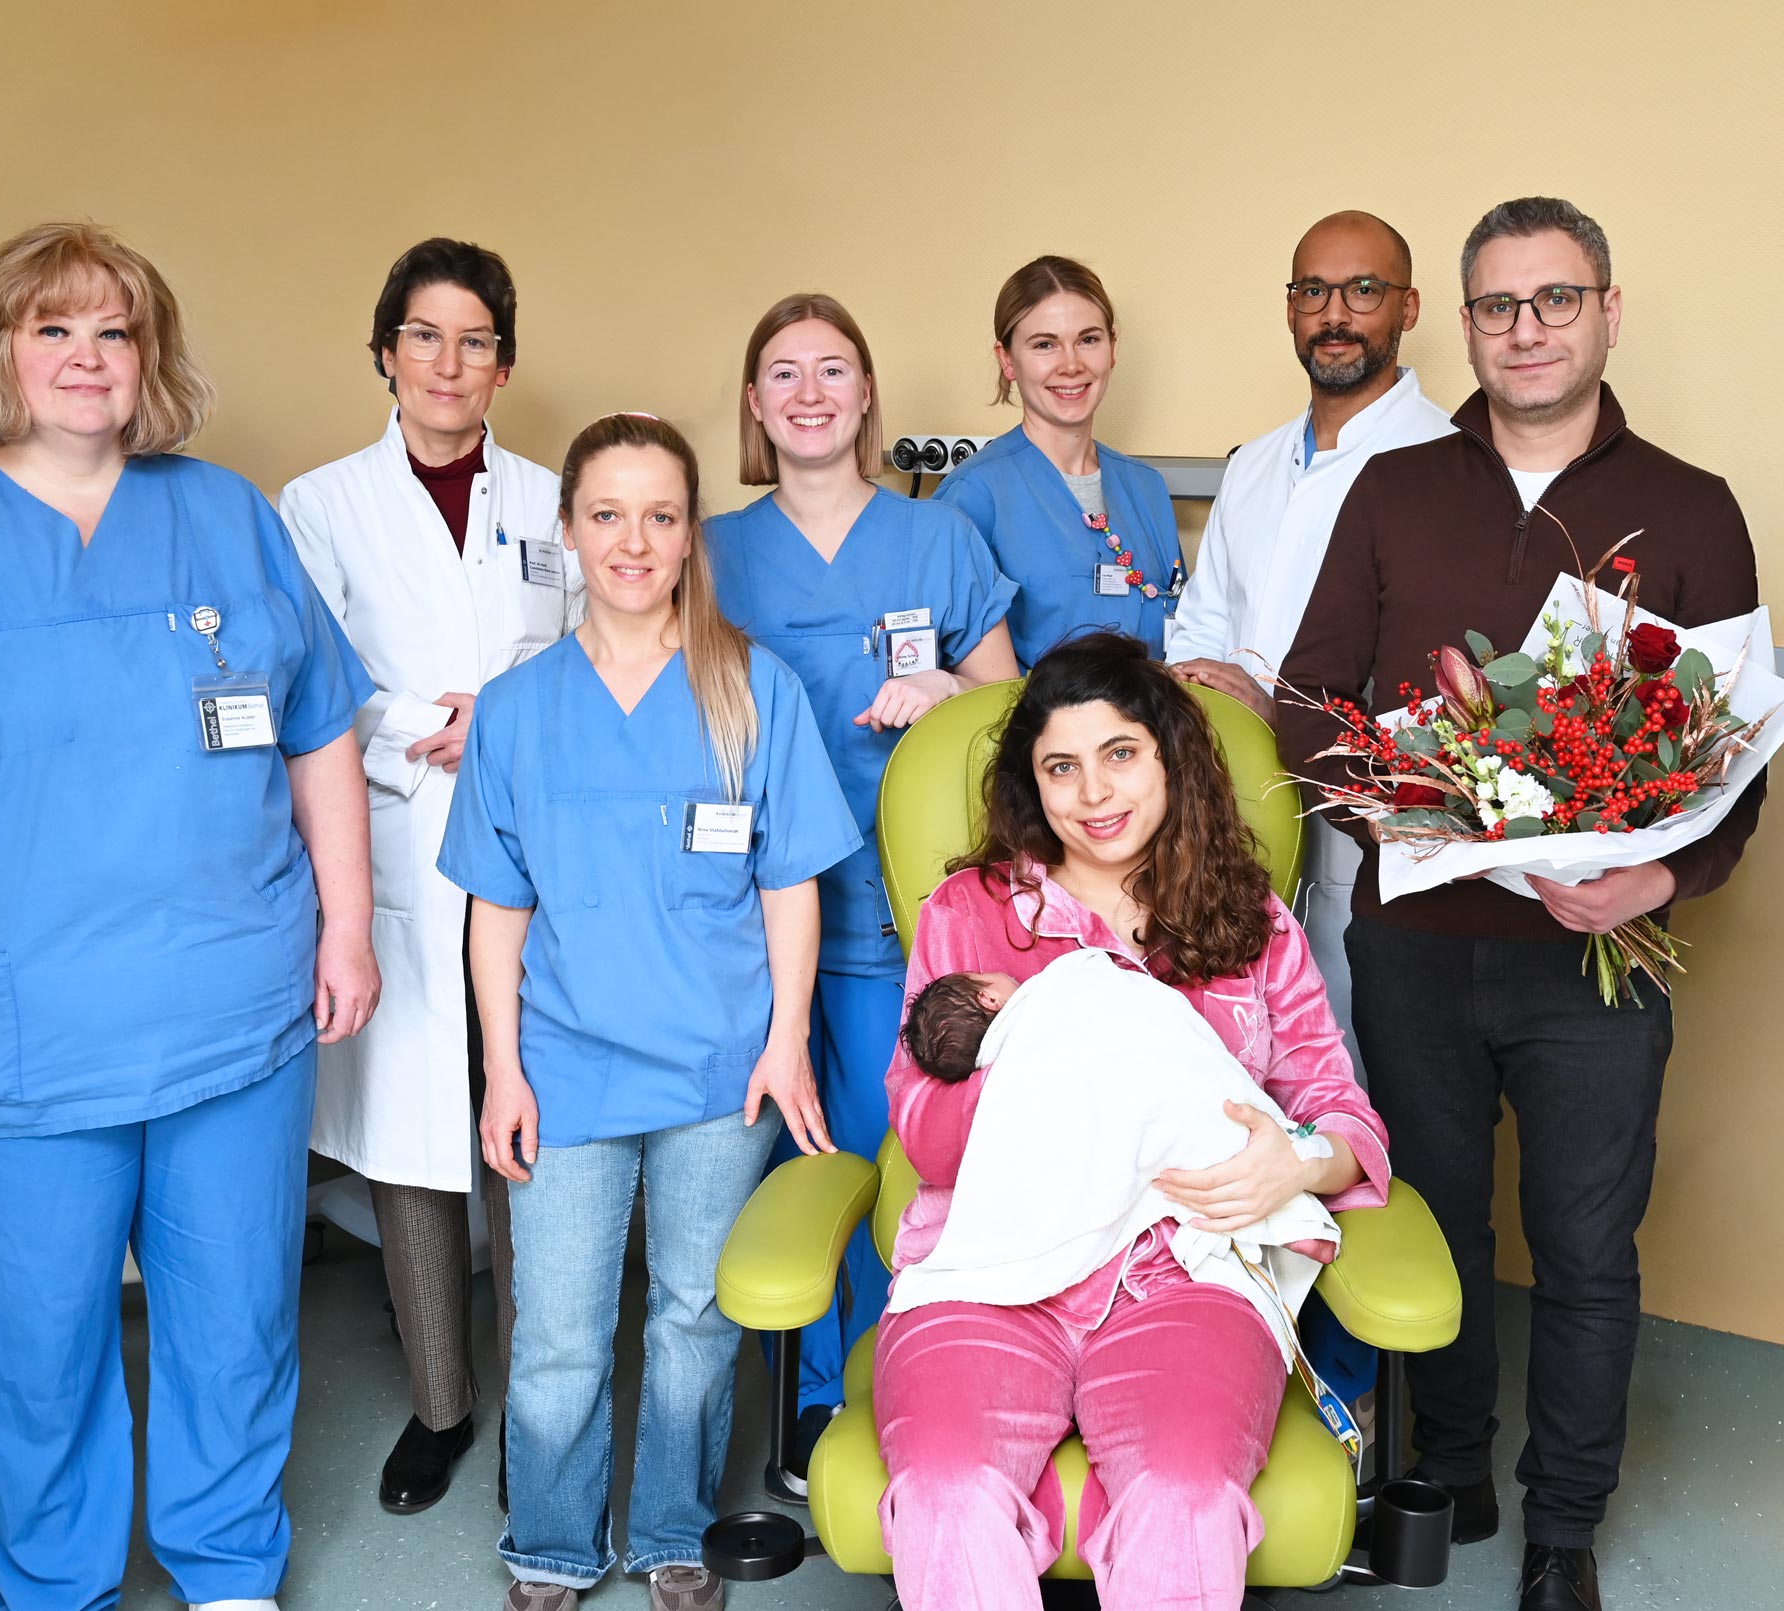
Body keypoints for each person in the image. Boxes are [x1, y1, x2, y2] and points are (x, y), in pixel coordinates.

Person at [0, 222, 378, 1611]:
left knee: (234, 1320)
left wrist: (346, 925)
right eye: (52, 329)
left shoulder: (226, 514)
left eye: (114, 331)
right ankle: (55, 1583)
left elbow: (320, 731)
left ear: (150, 358)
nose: (86, 357)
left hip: (237, 1011)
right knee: (30, 1339)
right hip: (13, 1033)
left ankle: (229, 1566)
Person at [1278, 197, 1765, 1611]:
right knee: (1428, 1223)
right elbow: (1310, 700)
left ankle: (1564, 1527)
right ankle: (1454, 1462)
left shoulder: (1691, 506)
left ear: (1610, 309)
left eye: (1555, 299)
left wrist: (1660, 872)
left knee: (1585, 1243)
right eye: (1500, 305)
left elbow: (1732, 763)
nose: (1527, 328)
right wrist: (1414, 798)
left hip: (1592, 961)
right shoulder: (1393, 486)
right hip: (1416, 941)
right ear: (1465, 322)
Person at [439, 413, 863, 1611]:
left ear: (690, 535)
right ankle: (554, 1548)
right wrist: (502, 1070)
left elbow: (790, 881)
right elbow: (497, 909)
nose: (633, 541)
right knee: (560, 1333)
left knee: (691, 1317)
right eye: (607, 514)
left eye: (661, 516)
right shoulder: (518, 710)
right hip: (567, 1069)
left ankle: (675, 1533)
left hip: (718, 1073)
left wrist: (784, 1045)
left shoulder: (749, 687)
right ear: (567, 530)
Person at [874, 632, 1389, 1611]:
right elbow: (926, 1138)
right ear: (1031, 785)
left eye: (1119, 754)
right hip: (989, 1269)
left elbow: (1343, 1115)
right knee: (943, 1495)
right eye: (1059, 767)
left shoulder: (1249, 919)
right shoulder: (969, 914)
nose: (1092, 794)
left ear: (1168, 755)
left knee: (1185, 1500)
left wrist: (1296, 1166)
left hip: (1182, 1268)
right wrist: (1046, 1057)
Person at [282, 238, 575, 1515]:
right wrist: (429, 720)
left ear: (503, 364)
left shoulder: (559, 497)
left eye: (473, 340)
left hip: (536, 852)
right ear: (385, 352)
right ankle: (441, 1407)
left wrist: (508, 714)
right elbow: (314, 678)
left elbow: (600, 646)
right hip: (397, 842)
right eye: (422, 336)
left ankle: (537, 1411)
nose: (447, 362)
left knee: (528, 1122)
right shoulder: (319, 501)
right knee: (412, 1134)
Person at [706, 292, 1018, 1447]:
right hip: (762, 913)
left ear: (866, 393)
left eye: (832, 371)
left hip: (907, 907)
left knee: (913, 1149)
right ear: (753, 402)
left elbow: (1011, 703)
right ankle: (816, 1399)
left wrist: (948, 690)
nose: (808, 394)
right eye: (781, 373)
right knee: (802, 1151)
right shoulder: (712, 551)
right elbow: (629, 681)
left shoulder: (932, 538)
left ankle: (911, 1387)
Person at [1167, 210, 1454, 1078]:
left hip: (1366, 831)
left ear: (1407, 308)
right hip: (1237, 804)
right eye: (1314, 291)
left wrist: (1283, 710)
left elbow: (1447, 676)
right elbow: (1201, 623)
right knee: (1238, 1069)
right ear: (1290, 309)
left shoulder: (1447, 462)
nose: (1336, 312)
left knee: (1363, 1077)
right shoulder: (1253, 464)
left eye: (1363, 290)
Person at [933, 256, 1181, 665]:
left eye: (1088, 339)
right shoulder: (973, 497)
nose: (1071, 365)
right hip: (1032, 728)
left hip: (1154, 724)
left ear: (1113, 348)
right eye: (1044, 344)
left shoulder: (1147, 488)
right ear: (1007, 360)